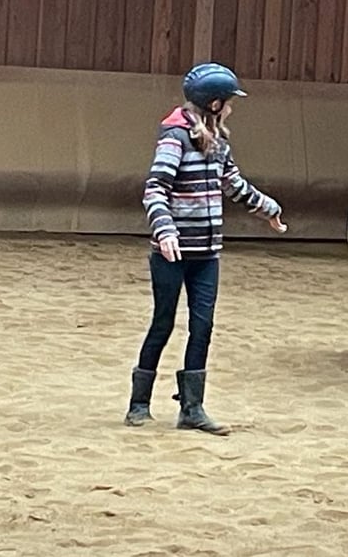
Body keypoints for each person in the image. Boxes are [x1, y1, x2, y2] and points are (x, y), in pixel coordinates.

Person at [124, 62, 287, 436]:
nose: (231, 108)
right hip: (173, 253)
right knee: (162, 322)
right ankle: (139, 403)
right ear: (214, 104)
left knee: (203, 326)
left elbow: (234, 184)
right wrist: (165, 231)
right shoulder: (174, 139)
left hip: (207, 252)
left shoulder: (218, 143)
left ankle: (192, 407)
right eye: (228, 102)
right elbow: (155, 188)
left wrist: (270, 210)